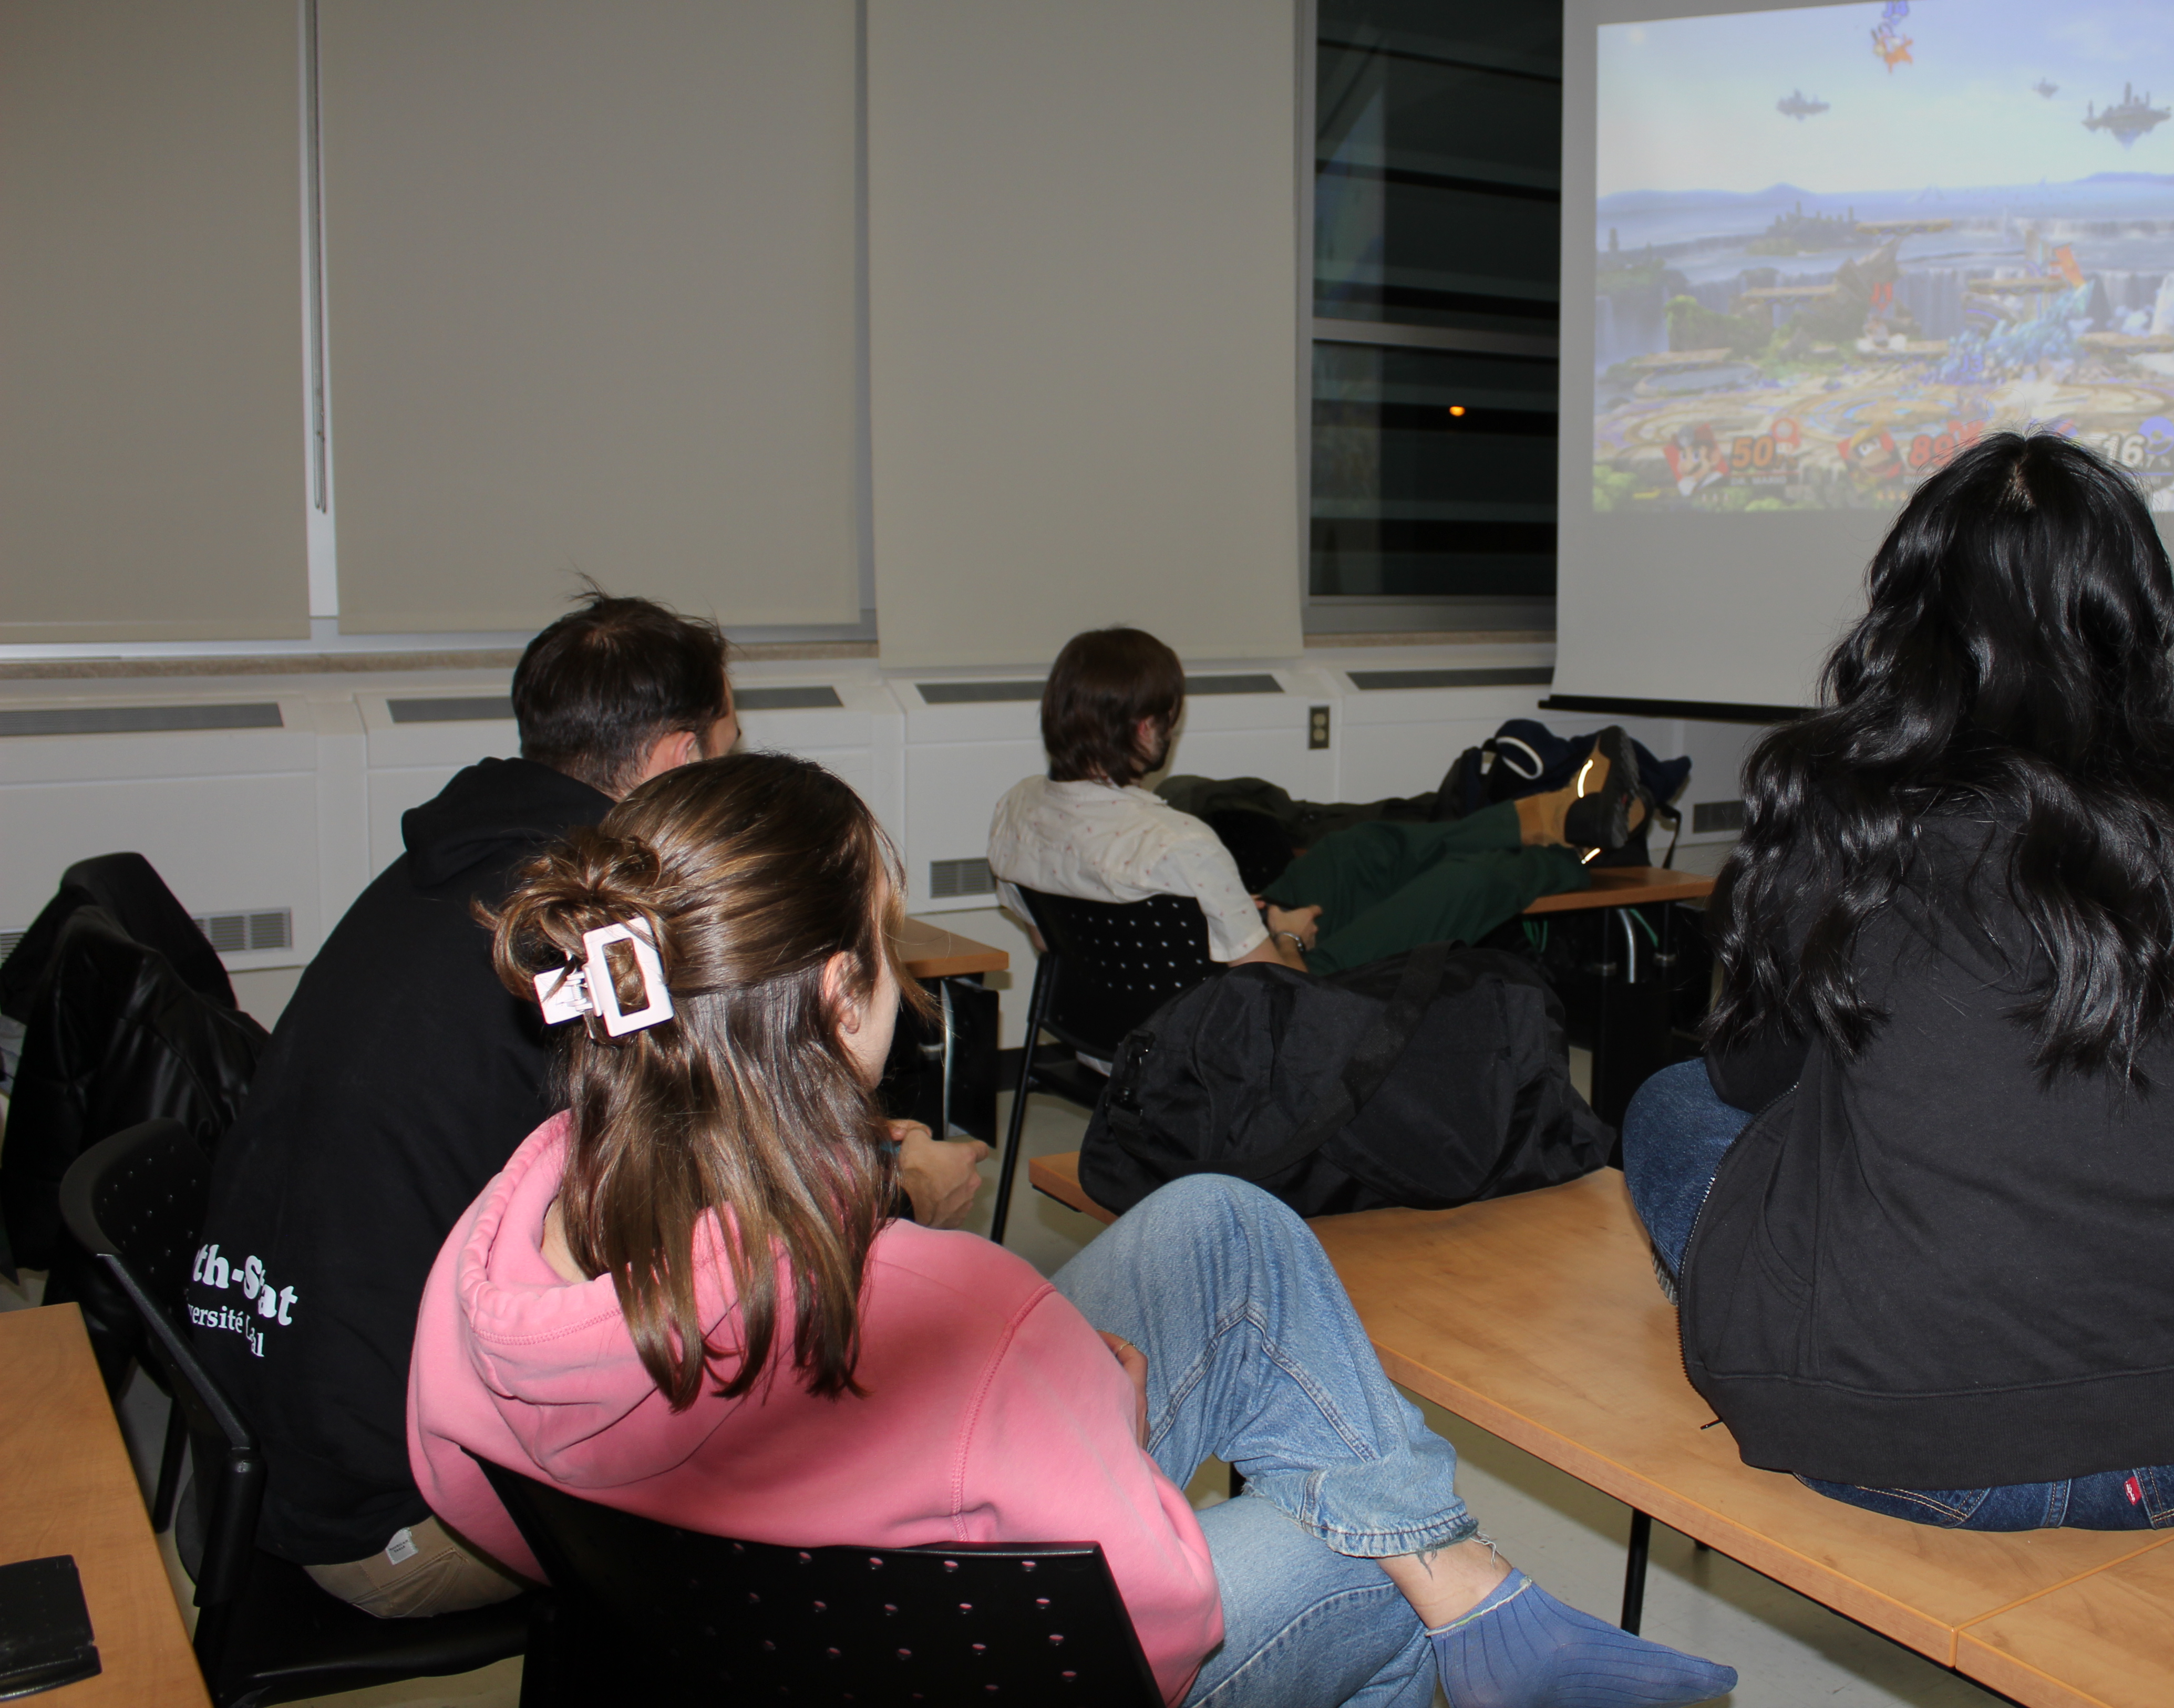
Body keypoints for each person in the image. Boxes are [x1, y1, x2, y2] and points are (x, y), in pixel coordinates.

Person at [406, 753, 1737, 1708]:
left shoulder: (500, 1237)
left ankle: (1482, 1595)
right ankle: (1462, 1604)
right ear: (840, 995)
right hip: (968, 1657)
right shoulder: (964, 1316)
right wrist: (1101, 1424)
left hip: (721, 1632)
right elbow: (1151, 1624)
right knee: (1352, 1554)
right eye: (884, 939)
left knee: (1219, 1223)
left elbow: (490, 1516)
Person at [1625, 431, 2174, 1533]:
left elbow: (1752, 1075)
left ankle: (1783, 1329)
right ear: (2133, 609)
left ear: (1908, 609)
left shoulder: (1831, 795)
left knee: (1671, 1102)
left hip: (1904, 1445)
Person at [190, 591, 738, 1615]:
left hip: (256, 1445)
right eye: (726, 747)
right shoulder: (586, 925)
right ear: (676, 760)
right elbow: (690, 1181)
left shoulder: (442, 872)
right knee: (797, 1455)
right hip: (386, 1515)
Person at [988, 627, 1645, 976]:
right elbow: (1272, 988)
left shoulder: (1014, 812)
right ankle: (1579, 848)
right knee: (1469, 884)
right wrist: (1283, 936)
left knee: (1360, 849)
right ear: (1143, 729)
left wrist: (1237, 925)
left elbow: (1053, 943)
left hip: (1175, 995)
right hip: (1260, 1017)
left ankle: (1550, 814)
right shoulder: (1178, 845)